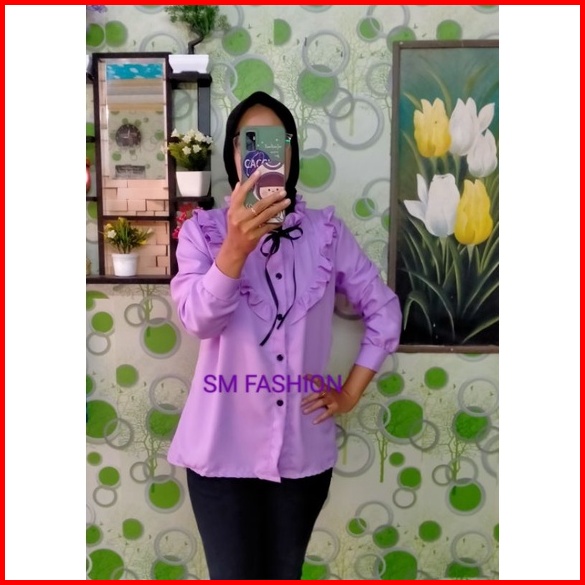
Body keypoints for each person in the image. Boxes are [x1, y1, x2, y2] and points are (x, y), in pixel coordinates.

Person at [168, 91, 402, 580]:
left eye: (276, 141)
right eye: (249, 141)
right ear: (234, 154)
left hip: (301, 458)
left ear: (291, 153)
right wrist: (234, 249)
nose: (263, 153)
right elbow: (198, 321)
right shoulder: (201, 233)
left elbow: (383, 311)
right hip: (219, 456)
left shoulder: (326, 234)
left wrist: (350, 393)